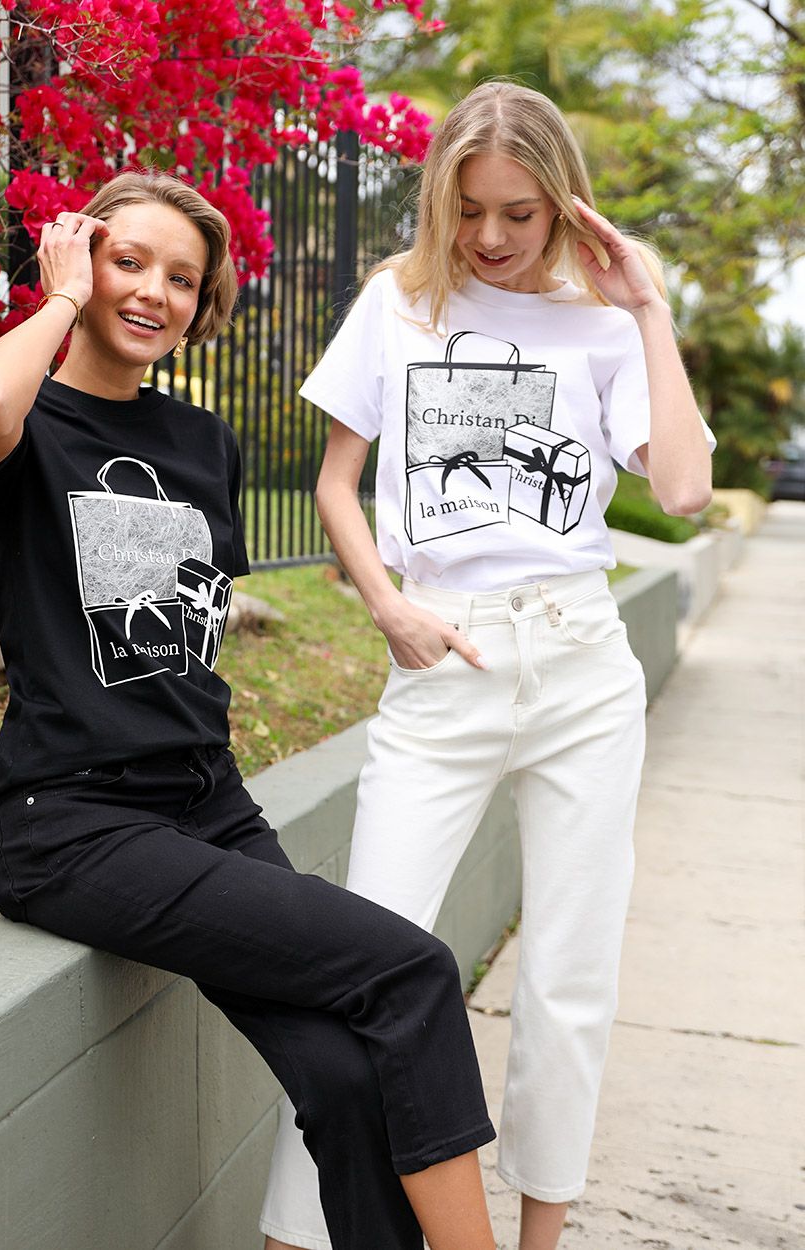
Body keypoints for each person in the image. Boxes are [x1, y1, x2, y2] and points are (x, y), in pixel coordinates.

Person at [0, 171, 499, 1250]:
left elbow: (185, 635)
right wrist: (57, 299)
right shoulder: (29, 422)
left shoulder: (202, 442)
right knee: (413, 970)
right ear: (82, 261)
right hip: (78, 824)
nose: (155, 292)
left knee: (342, 1077)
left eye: (183, 278)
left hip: (208, 803)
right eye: (128, 262)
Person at [259, 82, 714, 1250]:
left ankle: (539, 1238)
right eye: (468, 210)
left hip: (578, 662)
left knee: (570, 973)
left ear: (562, 203)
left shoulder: (604, 320)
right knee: (362, 958)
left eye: (519, 210)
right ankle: (295, 1236)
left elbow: (680, 488)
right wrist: (388, 606)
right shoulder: (396, 302)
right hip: (443, 654)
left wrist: (648, 309)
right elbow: (332, 483)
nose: (491, 236)